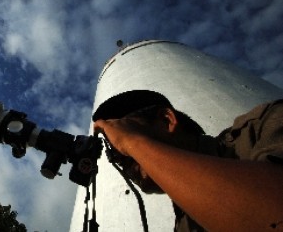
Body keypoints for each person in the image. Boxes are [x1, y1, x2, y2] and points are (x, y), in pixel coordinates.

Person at [92, 90, 283, 231]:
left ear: (167, 121)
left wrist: (133, 142)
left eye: (118, 140)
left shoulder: (264, 126)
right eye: (113, 151)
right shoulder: (184, 225)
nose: (119, 156)